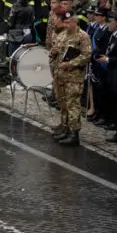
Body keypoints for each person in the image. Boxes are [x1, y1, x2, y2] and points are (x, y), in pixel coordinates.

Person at [50, 9, 93, 146]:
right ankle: (65, 126)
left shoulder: (82, 37)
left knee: (72, 104)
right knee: (62, 102)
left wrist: (70, 63)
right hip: (60, 75)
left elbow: (86, 55)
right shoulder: (62, 35)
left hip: (73, 77)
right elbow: (55, 51)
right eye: (65, 22)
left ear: (75, 22)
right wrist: (53, 52)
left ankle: (74, 133)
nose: (66, 25)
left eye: (69, 22)